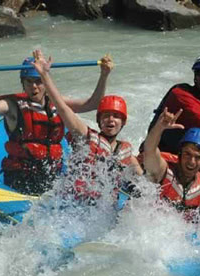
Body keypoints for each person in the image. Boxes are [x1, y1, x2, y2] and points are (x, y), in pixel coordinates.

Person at [0, 51, 111, 195]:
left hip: (51, 174)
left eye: (38, 81)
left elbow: (93, 103)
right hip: (21, 177)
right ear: (22, 83)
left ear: (45, 83)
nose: (34, 87)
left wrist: (104, 76)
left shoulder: (57, 102)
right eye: (29, 81)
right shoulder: (12, 105)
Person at [30, 50, 142, 202]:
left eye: (116, 116)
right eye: (106, 116)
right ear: (98, 120)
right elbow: (62, 108)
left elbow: (141, 177)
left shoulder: (126, 152)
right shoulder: (86, 136)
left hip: (103, 209)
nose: (110, 120)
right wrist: (44, 75)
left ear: (123, 122)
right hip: (75, 204)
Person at [143, 107, 200, 224]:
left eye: (198, 157)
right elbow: (149, 150)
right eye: (187, 154)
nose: (192, 162)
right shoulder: (162, 171)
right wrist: (159, 128)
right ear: (179, 153)